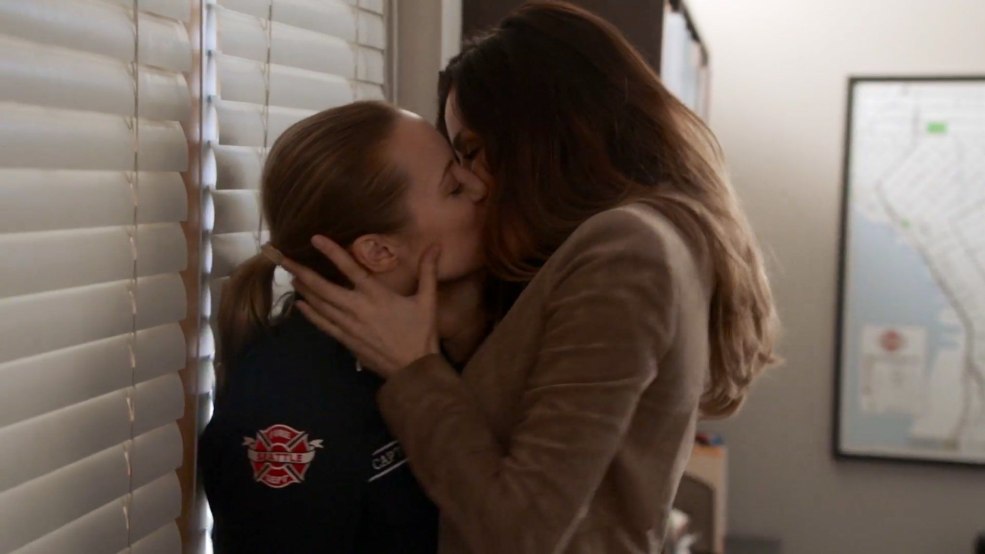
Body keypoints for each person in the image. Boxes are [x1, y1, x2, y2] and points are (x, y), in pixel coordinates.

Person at [284, 2, 779, 553]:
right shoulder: (633, 242)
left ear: (537, 136)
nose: (474, 184)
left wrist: (413, 370)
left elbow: (520, 530)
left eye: (471, 152)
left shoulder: (626, 248)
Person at [198, 101, 488, 553]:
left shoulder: (447, 341)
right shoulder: (289, 398)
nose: (479, 186)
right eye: (453, 187)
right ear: (379, 252)